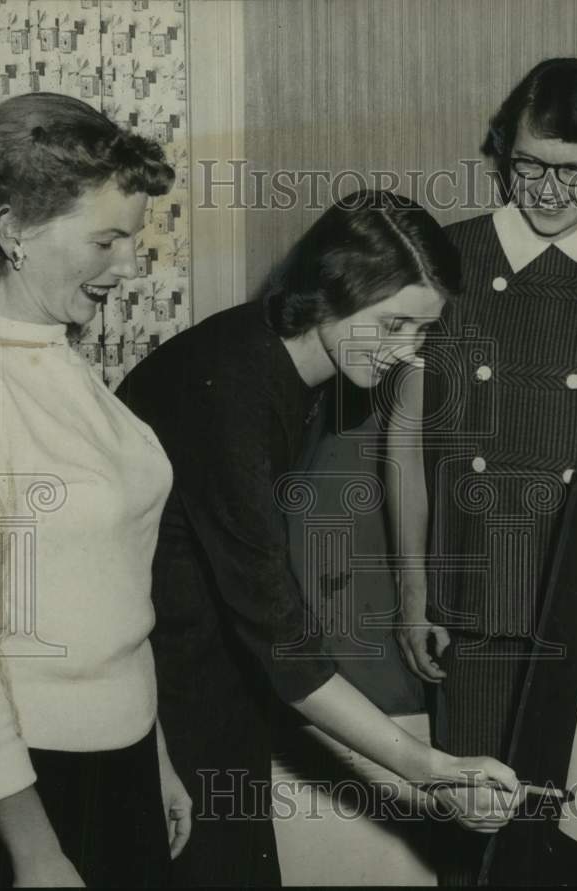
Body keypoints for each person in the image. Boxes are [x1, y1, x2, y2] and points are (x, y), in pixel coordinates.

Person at [116, 190, 522, 888]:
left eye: (422, 331)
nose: (407, 352)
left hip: (206, 672)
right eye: (393, 324)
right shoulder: (232, 388)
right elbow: (282, 638)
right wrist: (429, 769)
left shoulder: (285, 361)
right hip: (154, 686)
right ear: (330, 290)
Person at [387, 58, 577, 884]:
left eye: (576, 172)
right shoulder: (449, 258)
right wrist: (414, 591)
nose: (551, 191)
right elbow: (406, 444)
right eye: (530, 165)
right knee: (475, 843)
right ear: (504, 153)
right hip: (473, 604)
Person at [0, 93, 192, 887]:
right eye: (106, 240)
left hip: (120, 763)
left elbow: (115, 589)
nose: (130, 266)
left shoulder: (62, 361)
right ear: (13, 230)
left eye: (133, 239)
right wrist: (36, 853)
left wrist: (153, 756)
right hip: (19, 792)